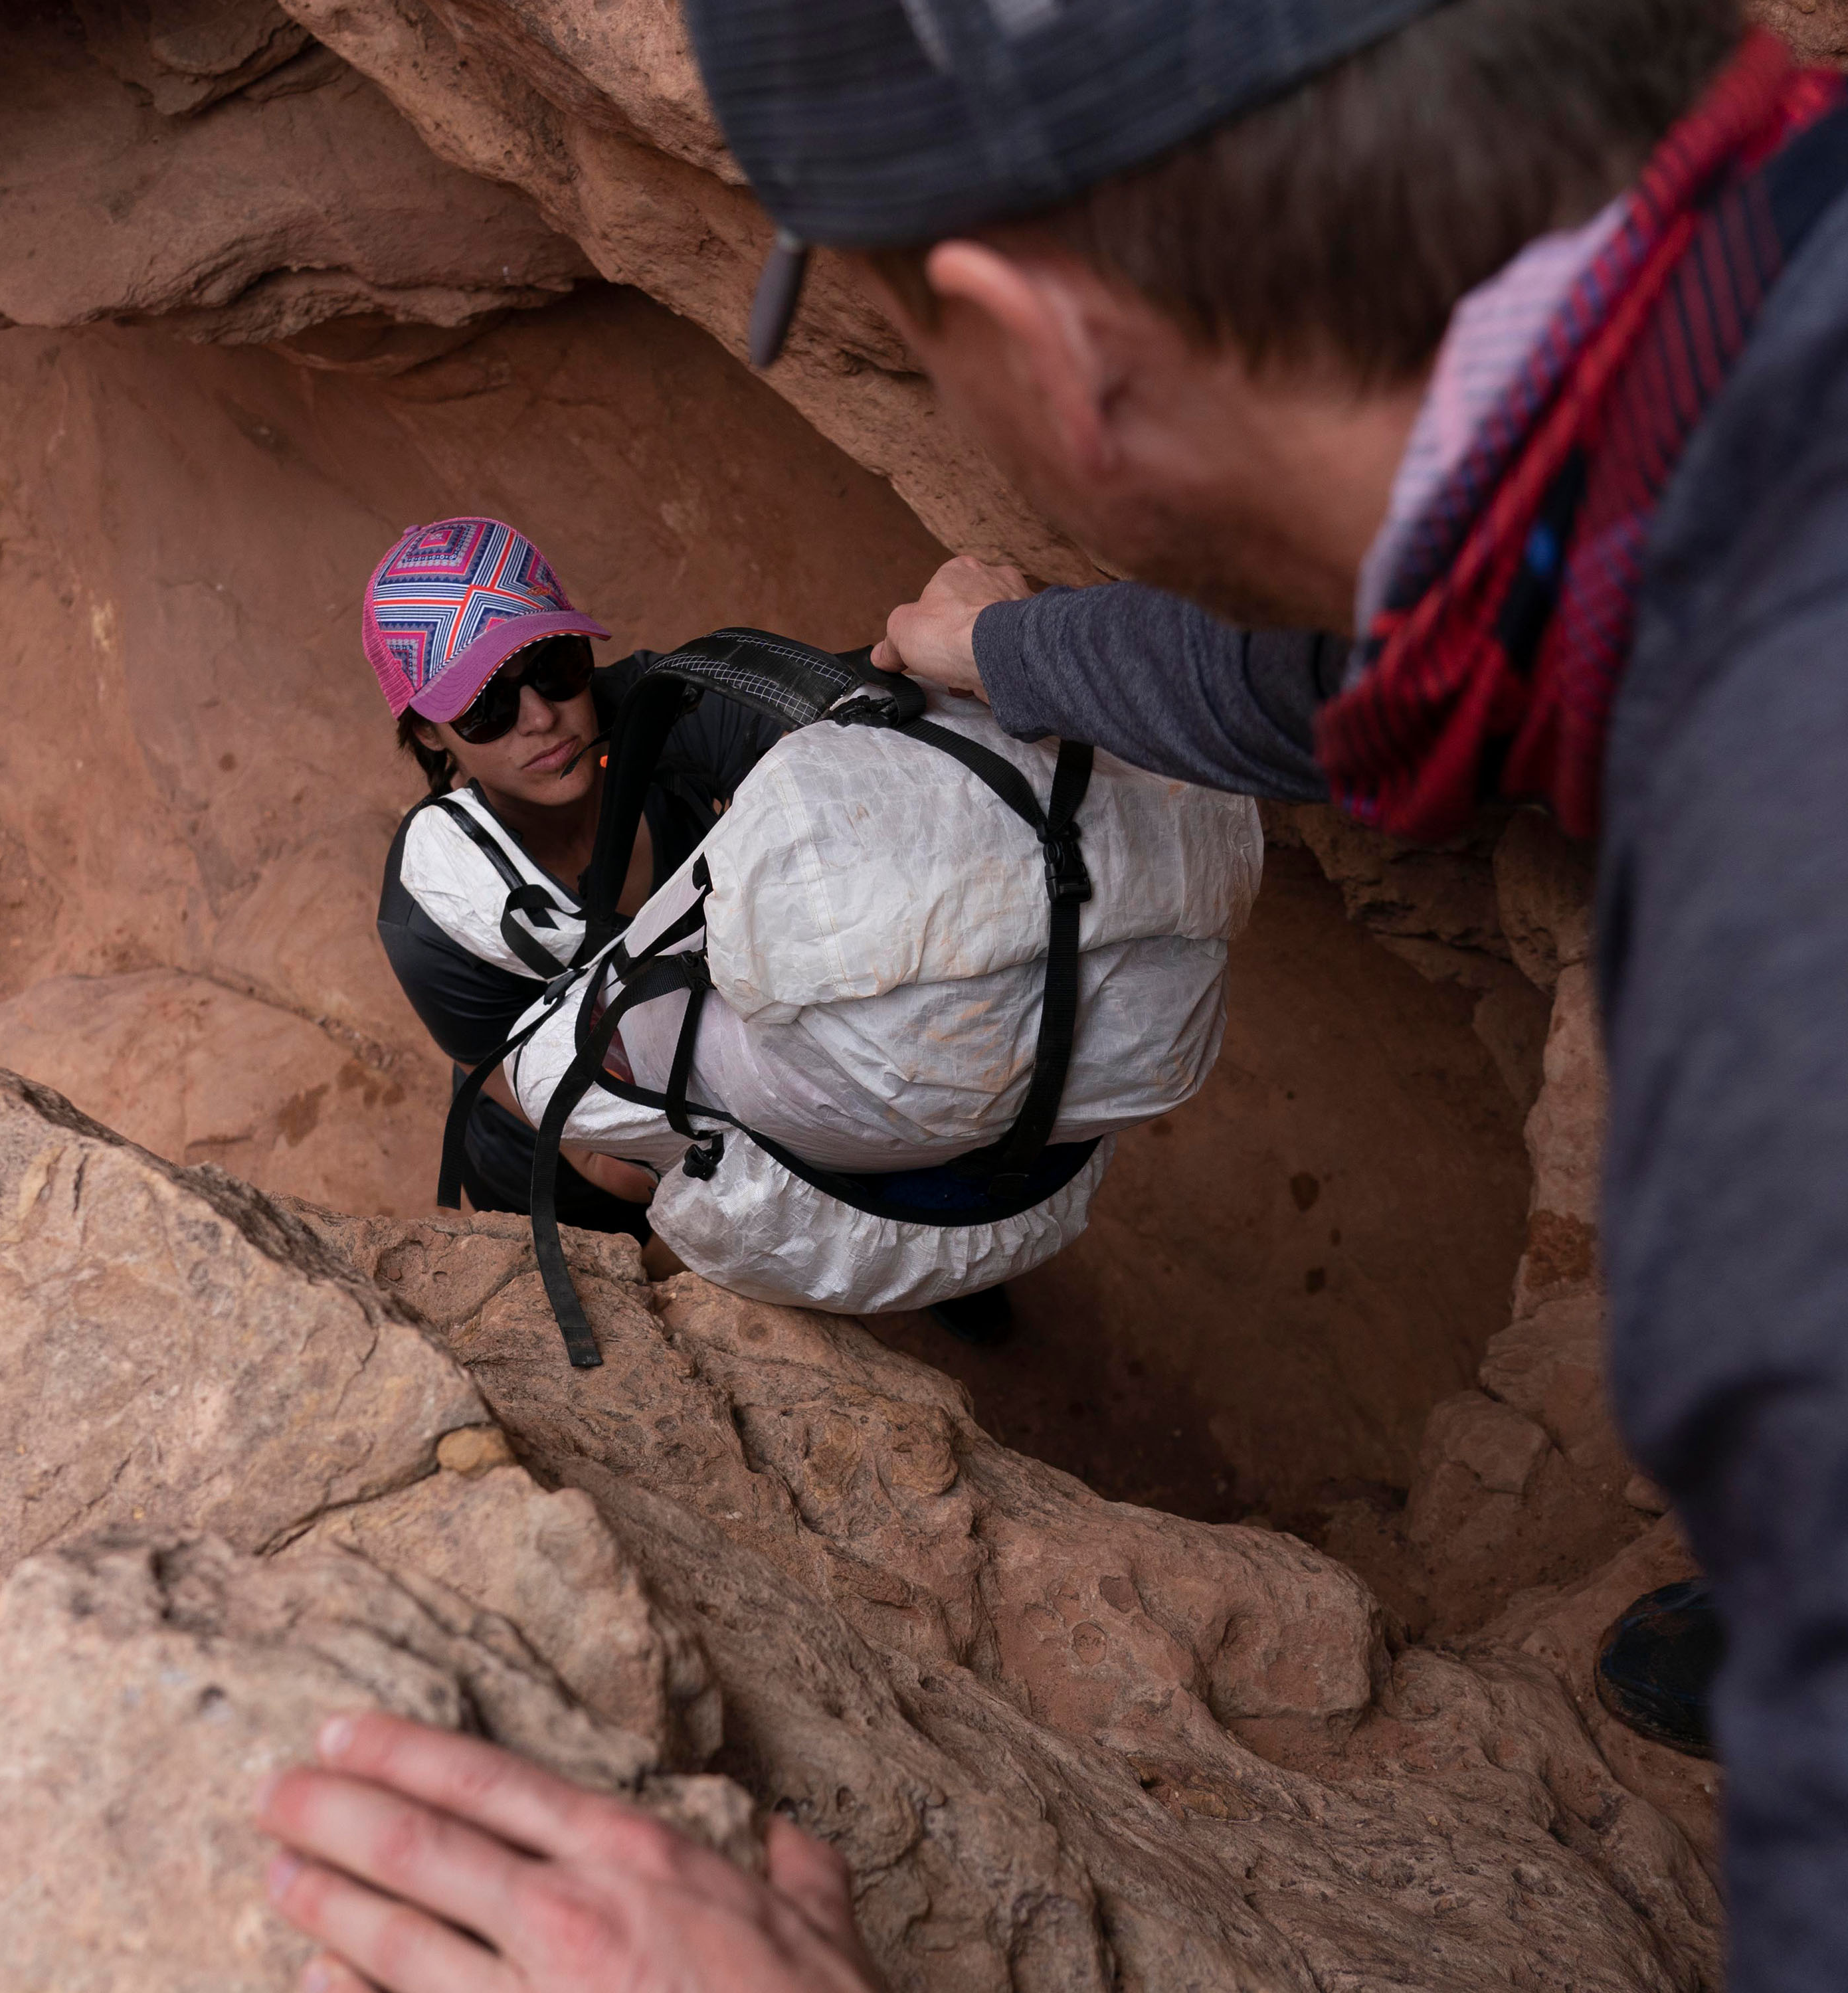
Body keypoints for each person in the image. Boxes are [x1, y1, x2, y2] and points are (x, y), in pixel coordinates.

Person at [266, 3, 1848, 1987]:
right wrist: (1019, 649)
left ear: (1051, 347)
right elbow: (1337, 674)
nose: (547, 714)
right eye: (487, 702)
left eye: (918, 350)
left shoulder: (1783, 1089)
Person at [365, 516, 780, 1235]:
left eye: (554, 667)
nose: (541, 719)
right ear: (428, 733)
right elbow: (596, 1157)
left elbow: (829, 738)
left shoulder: (668, 713)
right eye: (485, 707)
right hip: (559, 1165)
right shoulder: (429, 919)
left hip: (744, 1068)